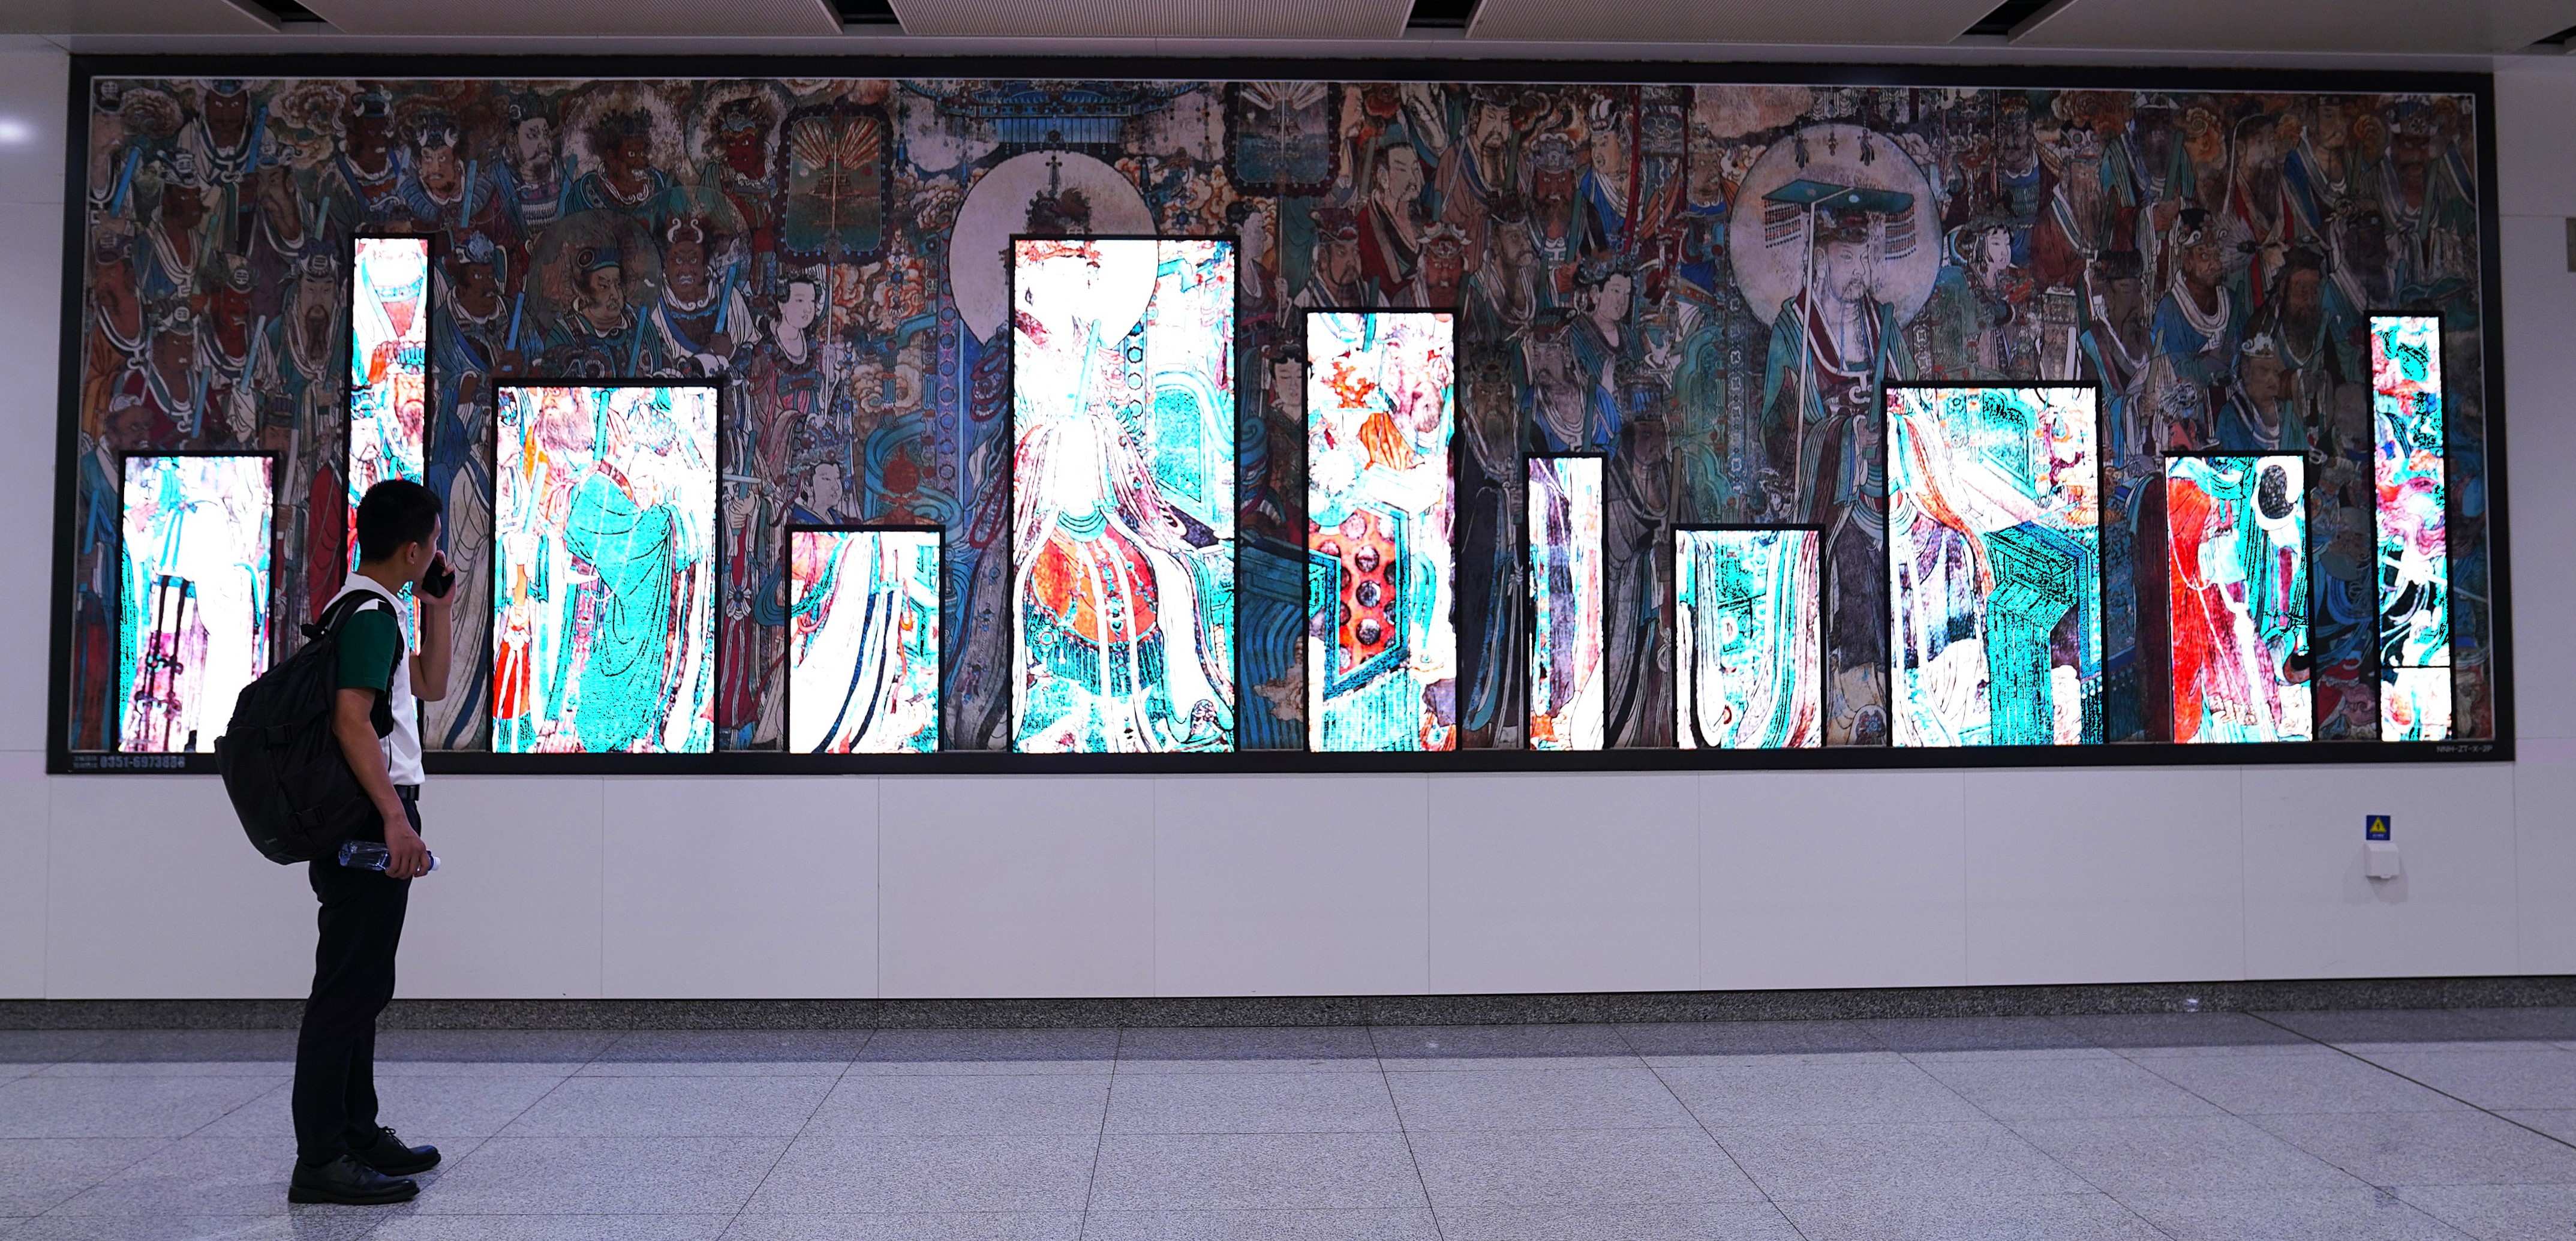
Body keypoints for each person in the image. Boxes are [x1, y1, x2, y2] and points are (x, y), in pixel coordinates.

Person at [287, 479, 453, 1206]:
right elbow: (351, 720)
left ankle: (356, 1131)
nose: (436, 554)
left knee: (362, 983)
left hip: (369, 811)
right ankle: (322, 1156)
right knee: (346, 989)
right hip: (367, 816)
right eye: (434, 542)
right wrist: (394, 818)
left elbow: (430, 685)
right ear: (413, 549)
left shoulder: (371, 610)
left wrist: (438, 607)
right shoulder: (367, 616)